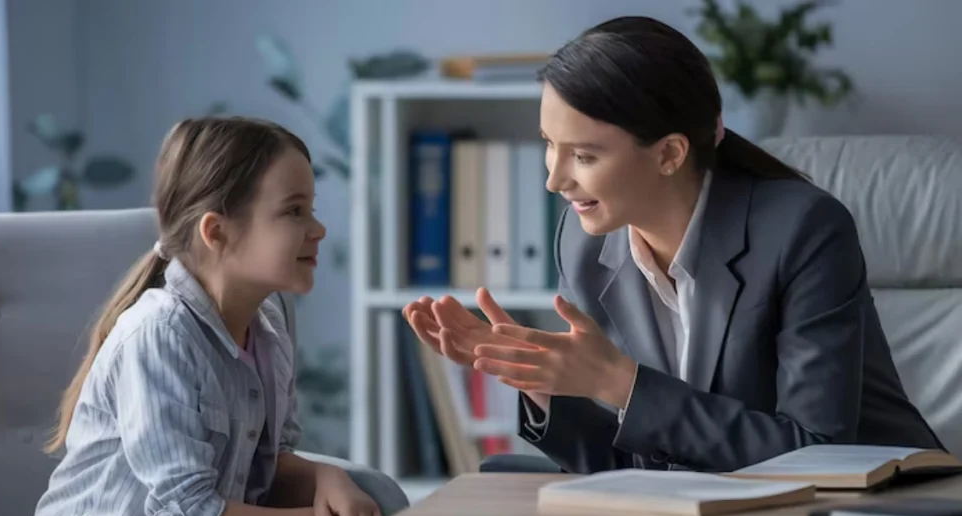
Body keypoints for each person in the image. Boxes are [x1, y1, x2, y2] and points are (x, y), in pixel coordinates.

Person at [404, 16, 944, 475]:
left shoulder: (804, 230)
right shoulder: (585, 244)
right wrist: (537, 378)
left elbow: (818, 454)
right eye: (550, 145)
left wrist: (619, 381)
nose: (555, 180)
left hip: (871, 514)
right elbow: (638, 463)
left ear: (669, 154)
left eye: (584, 157)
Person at [17, 117, 380, 516]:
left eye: (311, 209)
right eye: (294, 211)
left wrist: (329, 477)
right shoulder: (159, 334)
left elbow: (268, 464)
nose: (319, 229)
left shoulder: (268, 329)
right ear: (217, 231)